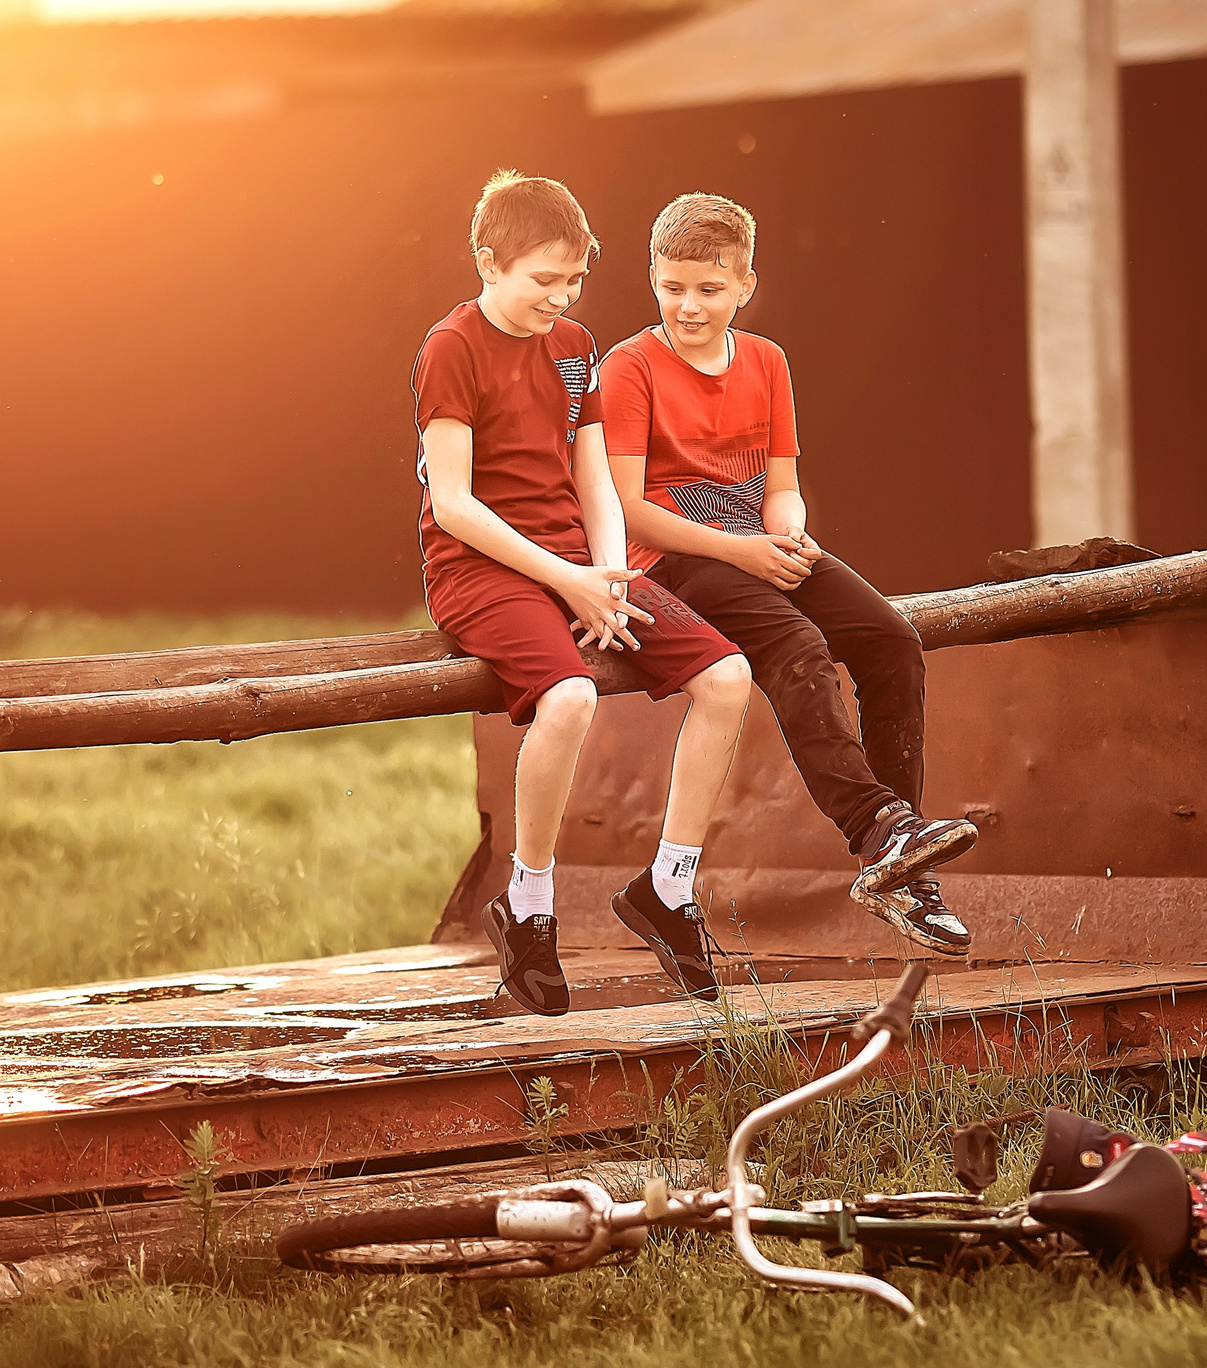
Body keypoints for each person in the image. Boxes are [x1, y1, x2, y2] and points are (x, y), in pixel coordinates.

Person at [598, 191, 977, 956]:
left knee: (892, 640)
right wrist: (743, 551)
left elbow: (781, 485)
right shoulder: (630, 366)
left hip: (756, 545)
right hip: (673, 562)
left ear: (745, 285)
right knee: (798, 648)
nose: (689, 305)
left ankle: (903, 867)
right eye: (672, 287)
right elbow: (629, 509)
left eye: (709, 289)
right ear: (652, 277)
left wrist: (789, 528)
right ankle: (878, 829)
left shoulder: (767, 362)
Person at [412, 172, 755, 1015]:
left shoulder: (574, 344)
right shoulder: (451, 347)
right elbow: (453, 504)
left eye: (573, 279)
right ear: (488, 262)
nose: (561, 297)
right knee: (569, 697)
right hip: (478, 568)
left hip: (576, 562)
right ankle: (528, 906)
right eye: (543, 279)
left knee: (728, 677)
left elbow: (593, 476)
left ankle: (668, 889)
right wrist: (564, 579)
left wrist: (606, 574)